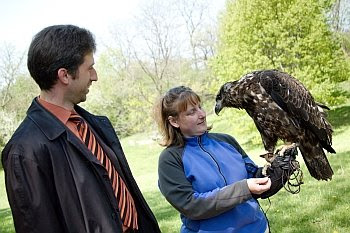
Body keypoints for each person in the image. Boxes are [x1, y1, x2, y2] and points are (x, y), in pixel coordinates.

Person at [1, 25, 160, 233]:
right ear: (64, 75)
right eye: (89, 68)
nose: (94, 76)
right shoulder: (24, 151)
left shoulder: (95, 124)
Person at [154, 86, 274, 233]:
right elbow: (192, 206)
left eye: (200, 107)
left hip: (257, 228)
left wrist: (276, 170)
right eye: (192, 112)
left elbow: (253, 176)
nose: (202, 114)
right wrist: (244, 188)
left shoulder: (226, 141)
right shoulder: (170, 159)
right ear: (174, 121)